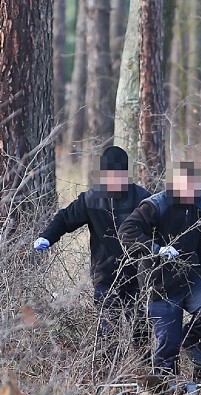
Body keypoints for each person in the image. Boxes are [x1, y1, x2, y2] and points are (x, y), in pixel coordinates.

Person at [34, 146, 150, 352]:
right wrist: (47, 237)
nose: (114, 181)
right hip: (105, 277)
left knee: (141, 328)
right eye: (109, 176)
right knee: (110, 330)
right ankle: (109, 378)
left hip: (138, 277)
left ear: (126, 174)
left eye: (119, 175)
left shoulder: (142, 199)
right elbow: (64, 218)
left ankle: (142, 371)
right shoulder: (92, 199)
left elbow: (159, 227)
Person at [118, 162, 201, 375]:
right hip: (159, 283)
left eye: (196, 185)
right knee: (167, 346)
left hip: (189, 278)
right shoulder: (155, 205)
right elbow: (127, 230)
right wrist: (156, 249)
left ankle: (190, 341)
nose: (194, 190)